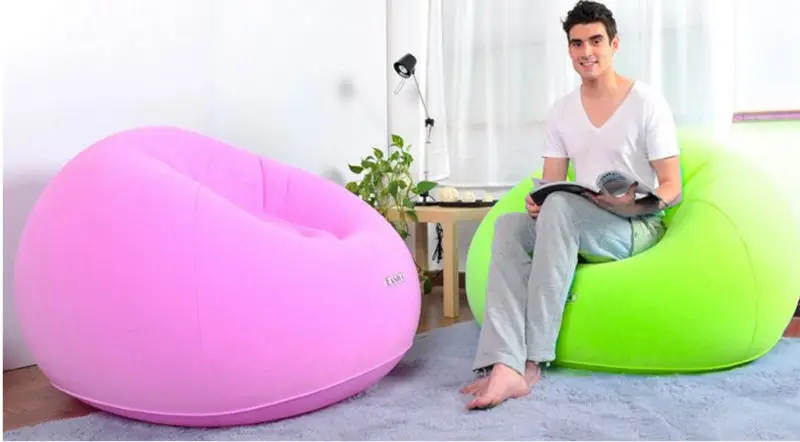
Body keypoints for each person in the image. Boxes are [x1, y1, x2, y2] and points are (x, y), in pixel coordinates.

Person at [461, 0, 683, 410]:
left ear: (614, 44)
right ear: (569, 50)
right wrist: (538, 202)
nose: (587, 52)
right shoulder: (562, 110)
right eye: (577, 44)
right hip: (581, 217)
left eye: (596, 41)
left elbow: (673, 186)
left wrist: (637, 204)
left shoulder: (646, 103)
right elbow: (553, 182)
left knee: (562, 208)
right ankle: (503, 362)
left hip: (635, 224)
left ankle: (533, 360)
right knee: (510, 226)